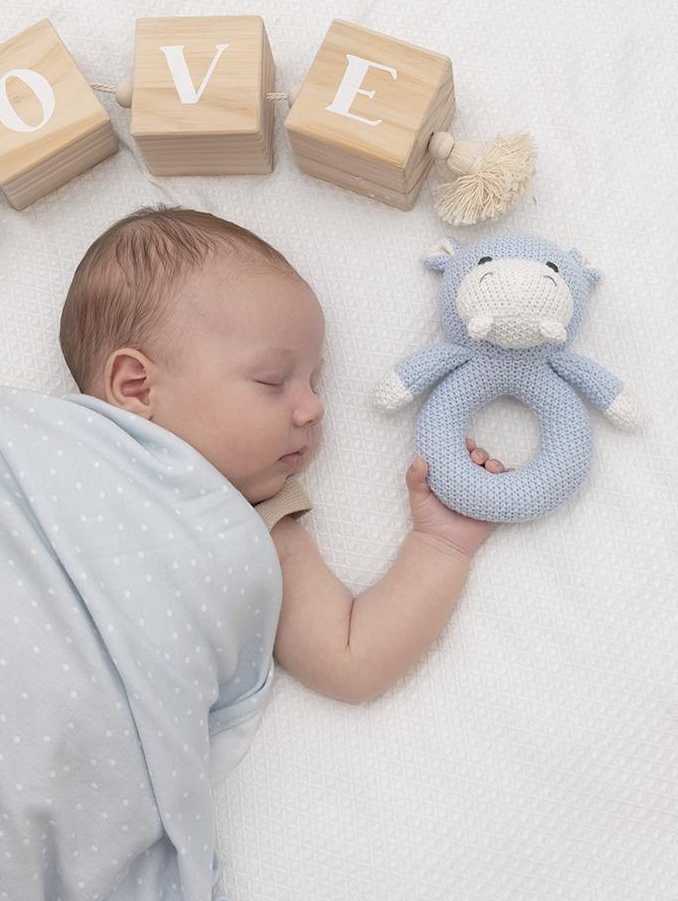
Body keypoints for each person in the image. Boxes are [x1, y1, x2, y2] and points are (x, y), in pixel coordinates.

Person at [59, 203, 509, 704]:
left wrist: (440, 546)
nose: (314, 408)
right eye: (273, 380)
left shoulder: (252, 521)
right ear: (137, 386)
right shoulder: (43, 449)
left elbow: (351, 662)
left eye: (314, 382)